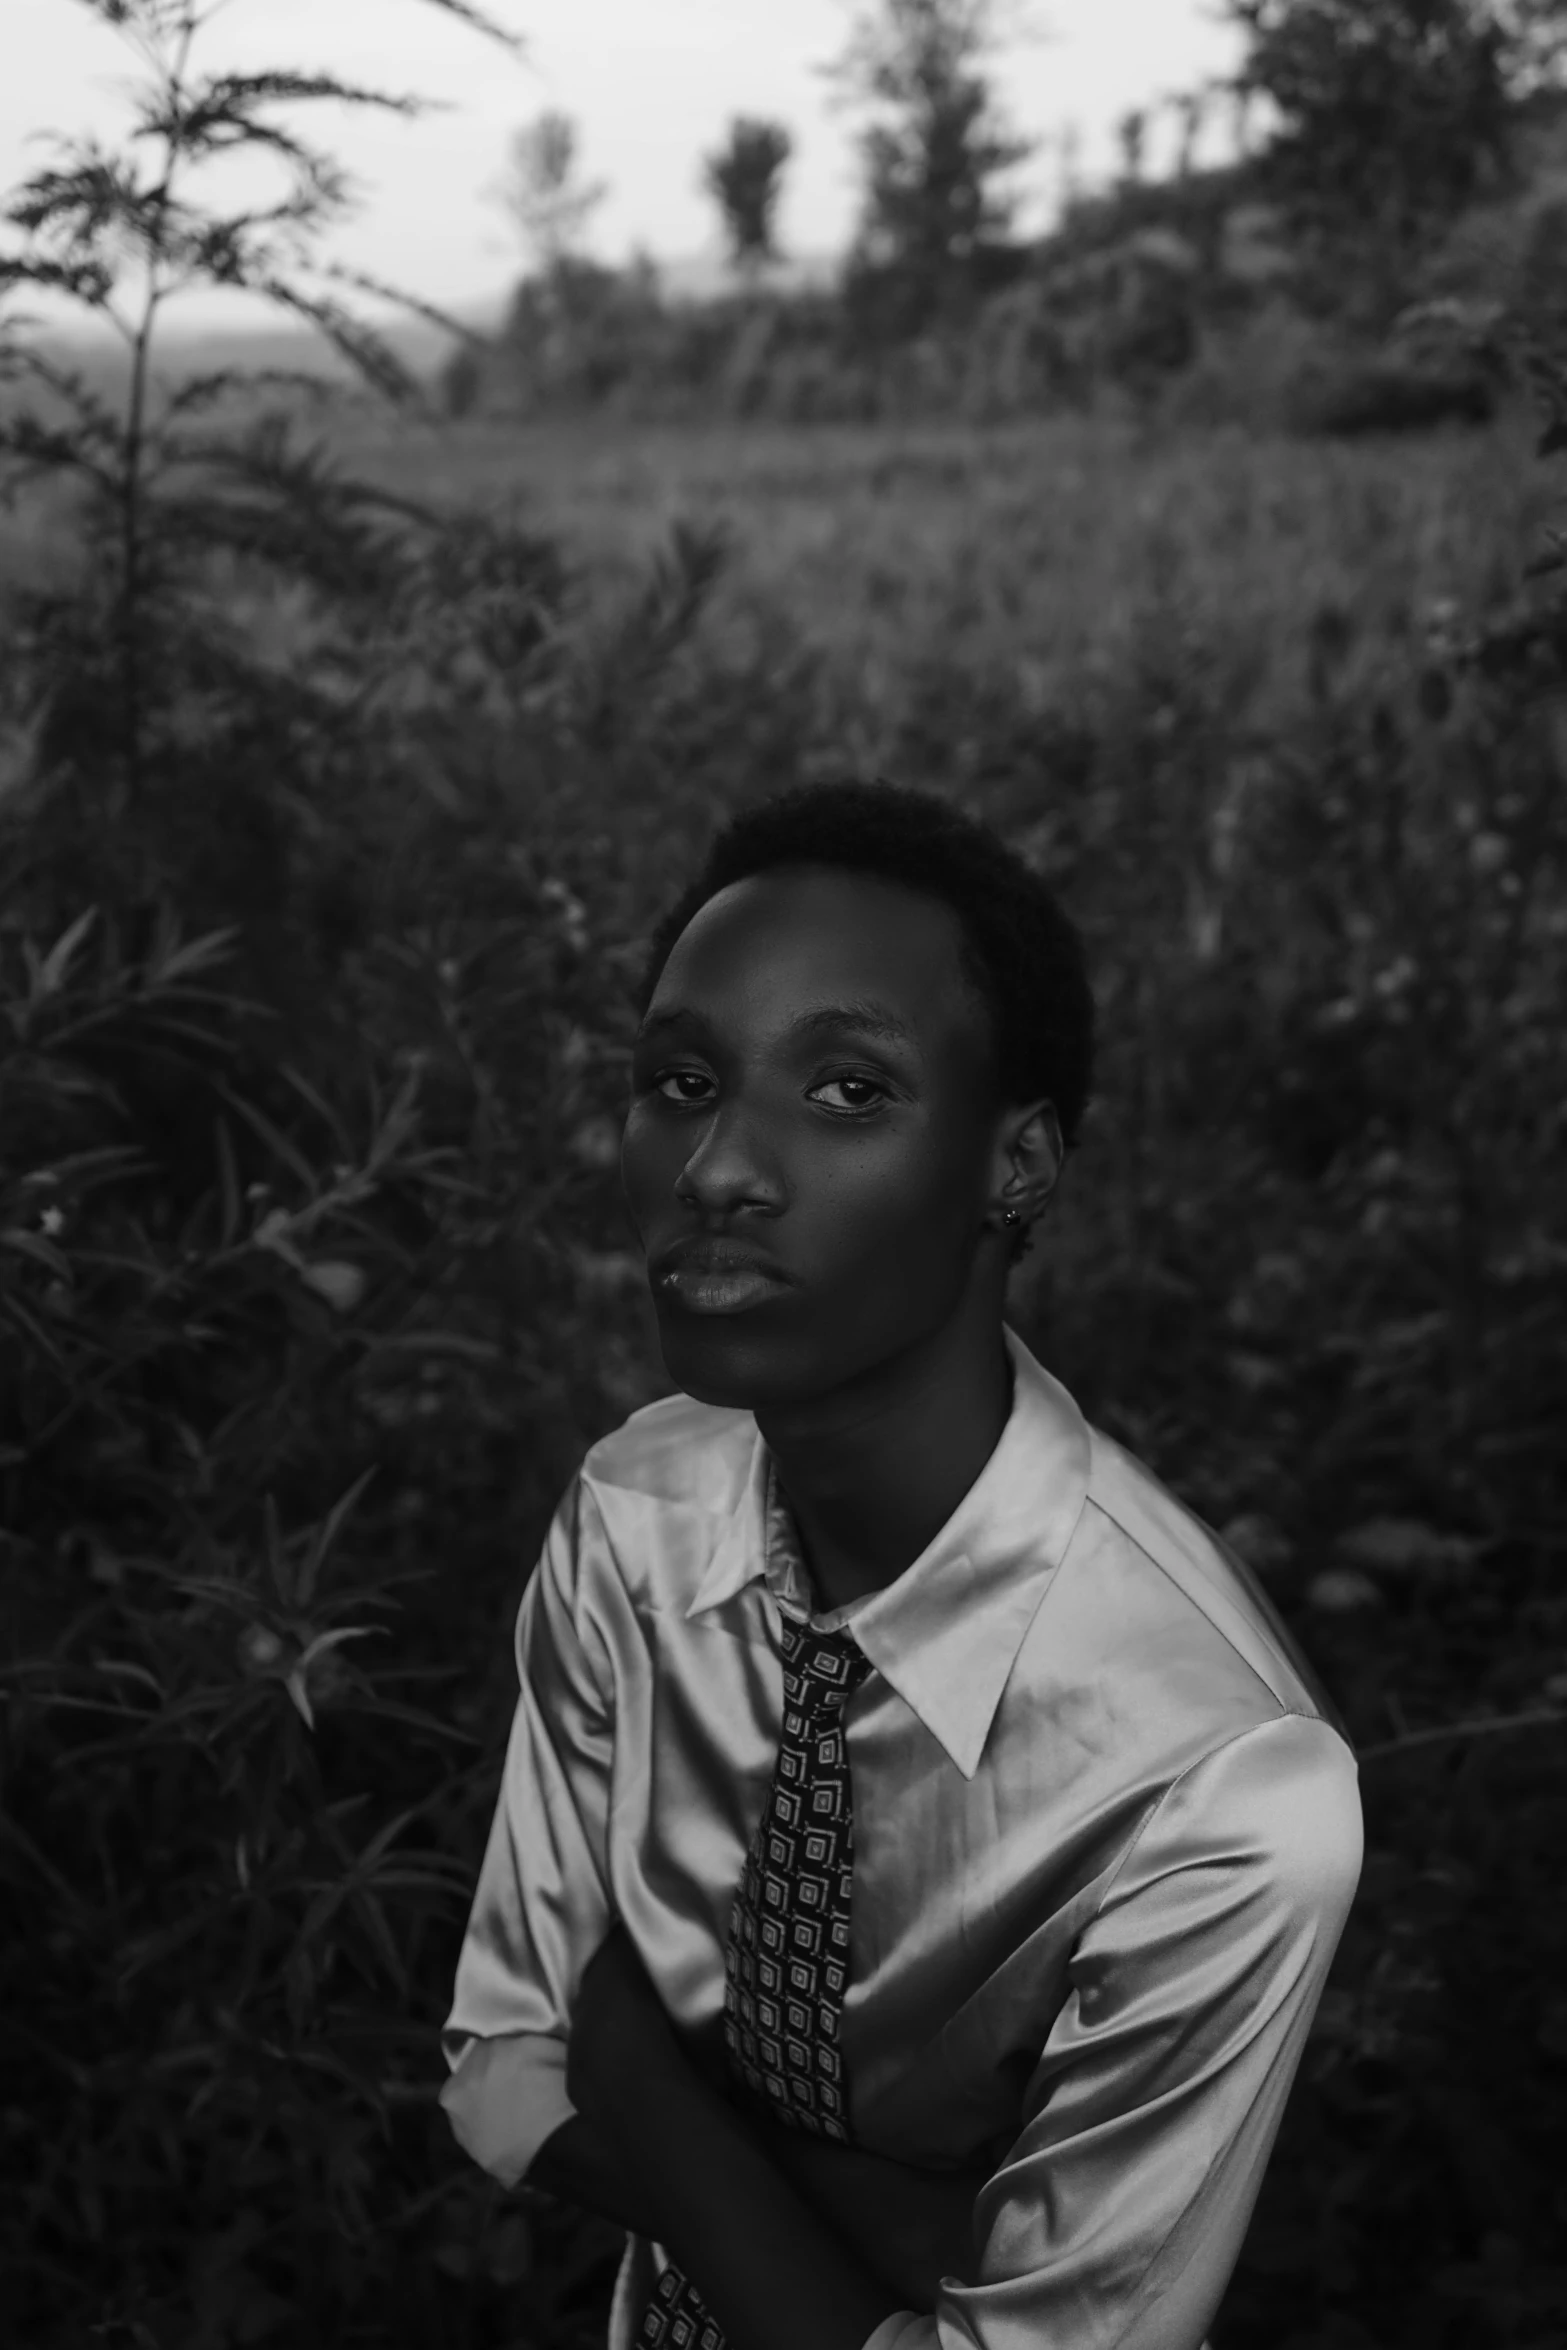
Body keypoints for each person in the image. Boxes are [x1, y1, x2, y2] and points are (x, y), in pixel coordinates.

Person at [440, 780, 1363, 2350]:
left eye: (847, 1090)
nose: (717, 1165)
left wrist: (655, 2082)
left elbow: (591, 2035)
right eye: (679, 1078)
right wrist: (914, 2230)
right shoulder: (636, 1516)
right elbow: (504, 2066)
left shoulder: (1223, 1785)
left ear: (1014, 1169)